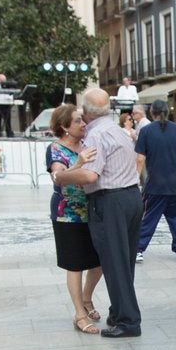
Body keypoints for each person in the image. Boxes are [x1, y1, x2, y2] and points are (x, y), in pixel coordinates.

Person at [74, 87, 143, 338]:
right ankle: (120, 312)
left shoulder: (96, 134)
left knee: (115, 262)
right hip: (131, 195)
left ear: (85, 111)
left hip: (110, 199)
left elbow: (90, 175)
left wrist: (63, 177)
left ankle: (127, 320)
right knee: (124, 262)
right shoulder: (117, 130)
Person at [45, 103, 103, 334]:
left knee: (100, 261)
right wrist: (78, 164)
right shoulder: (56, 149)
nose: (83, 124)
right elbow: (58, 177)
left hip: (93, 209)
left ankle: (87, 298)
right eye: (77, 120)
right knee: (75, 264)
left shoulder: (88, 142)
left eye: (82, 119)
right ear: (64, 126)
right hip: (67, 213)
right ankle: (79, 313)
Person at [134, 99, 176, 263]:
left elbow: (140, 159)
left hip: (154, 186)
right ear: (167, 112)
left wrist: (134, 180)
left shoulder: (146, 131)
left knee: (149, 219)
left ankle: (138, 249)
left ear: (151, 112)